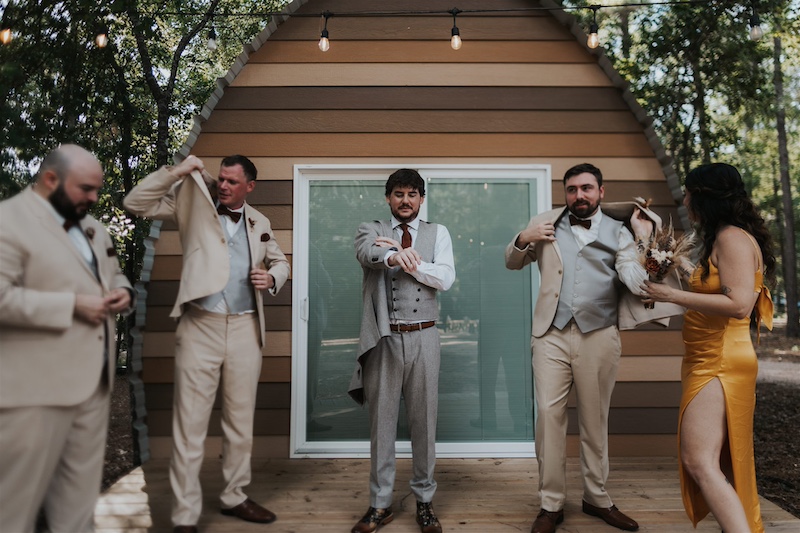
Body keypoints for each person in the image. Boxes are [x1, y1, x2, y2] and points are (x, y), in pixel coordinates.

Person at [123, 154, 290, 533]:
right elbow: (136, 203)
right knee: (190, 425)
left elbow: (281, 262)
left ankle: (234, 496)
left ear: (250, 186)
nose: (224, 185)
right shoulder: (192, 207)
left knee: (239, 421)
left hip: (247, 328)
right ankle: (184, 516)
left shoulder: (259, 221)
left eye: (233, 182)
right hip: (201, 326)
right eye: (222, 179)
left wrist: (273, 277)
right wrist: (177, 172)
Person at [505, 163, 662, 533]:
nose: (580, 195)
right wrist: (525, 236)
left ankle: (597, 498)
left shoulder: (620, 231)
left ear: (601, 192)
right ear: (566, 193)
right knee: (547, 416)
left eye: (587, 188)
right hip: (550, 334)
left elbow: (637, 281)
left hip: (599, 334)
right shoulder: (545, 223)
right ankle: (550, 504)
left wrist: (642, 239)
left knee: (595, 419)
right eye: (573, 189)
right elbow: (511, 262)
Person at [0, 144, 134, 532]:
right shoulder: (9, 221)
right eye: (86, 189)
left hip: (95, 387)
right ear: (50, 179)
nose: (94, 198)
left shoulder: (93, 227)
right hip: (33, 394)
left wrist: (123, 292)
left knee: (77, 508)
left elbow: (114, 273)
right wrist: (70, 305)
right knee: (13, 509)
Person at [641, 163, 774, 533]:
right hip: (707, 358)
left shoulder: (731, 238)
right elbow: (709, 287)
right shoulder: (722, 238)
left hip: (720, 360)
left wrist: (672, 295)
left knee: (698, 461)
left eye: (689, 192)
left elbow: (740, 305)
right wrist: (647, 242)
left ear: (706, 196)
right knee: (725, 461)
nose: (684, 199)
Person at [347, 168, 455, 533]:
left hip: (426, 337)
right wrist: (390, 256)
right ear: (388, 198)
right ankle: (380, 505)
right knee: (382, 424)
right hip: (384, 339)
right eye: (398, 193)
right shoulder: (371, 228)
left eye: (412, 194)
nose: (405, 200)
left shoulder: (438, 232)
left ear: (422, 198)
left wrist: (410, 258)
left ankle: (424, 501)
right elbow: (366, 254)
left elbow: (445, 278)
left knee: (425, 422)